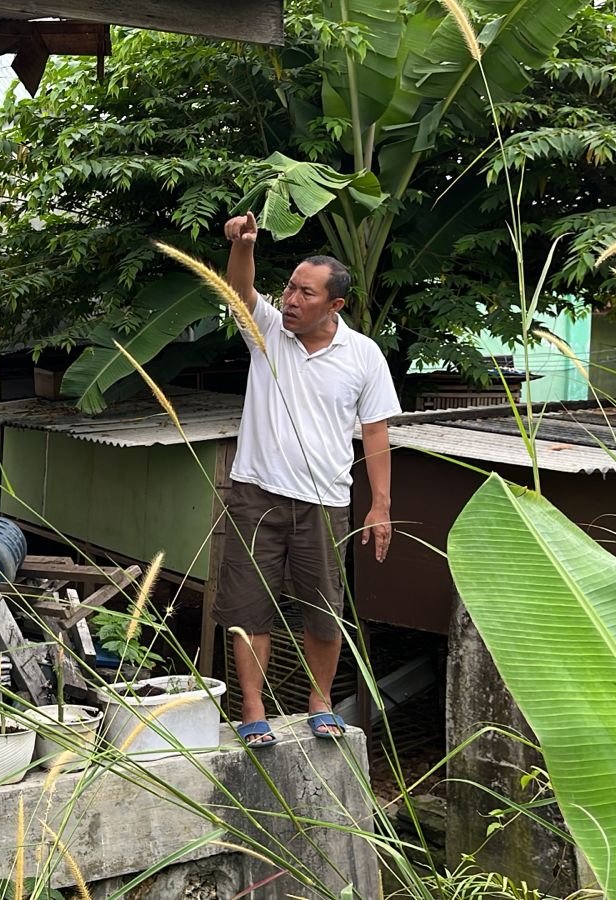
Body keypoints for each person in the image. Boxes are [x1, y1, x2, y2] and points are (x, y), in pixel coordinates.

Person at [217, 211, 399, 746]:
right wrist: (244, 245)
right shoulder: (268, 332)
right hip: (255, 495)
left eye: (306, 293)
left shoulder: (363, 355)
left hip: (325, 502)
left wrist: (381, 505)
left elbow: (376, 432)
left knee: (324, 612)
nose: (291, 300)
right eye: (290, 288)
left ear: (335, 305)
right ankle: (253, 709)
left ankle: (320, 702)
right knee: (249, 607)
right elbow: (239, 291)